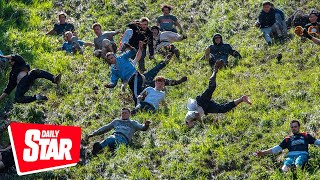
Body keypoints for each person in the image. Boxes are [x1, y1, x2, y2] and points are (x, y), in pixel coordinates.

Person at [105, 42, 187, 106]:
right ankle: (176, 82)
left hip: (138, 76)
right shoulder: (114, 70)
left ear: (115, 56)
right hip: (135, 82)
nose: (111, 59)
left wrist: (129, 47)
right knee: (157, 83)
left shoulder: (122, 58)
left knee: (156, 68)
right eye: (109, 59)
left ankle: (170, 55)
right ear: (108, 61)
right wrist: (110, 85)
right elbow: (114, 82)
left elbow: (134, 52)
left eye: (112, 57)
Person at [185, 60, 252, 128]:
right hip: (206, 108)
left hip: (201, 101)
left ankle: (214, 70)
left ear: (187, 123)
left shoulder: (188, 118)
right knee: (222, 109)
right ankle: (242, 99)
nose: (192, 126)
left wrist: (202, 124)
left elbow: (196, 114)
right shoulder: (193, 120)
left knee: (212, 87)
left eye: (190, 126)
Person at [255, 120, 320, 172]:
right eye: (292, 127)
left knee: (298, 160)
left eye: (295, 126)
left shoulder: (305, 135)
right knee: (287, 162)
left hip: (302, 154)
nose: (294, 128)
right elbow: (276, 149)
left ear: (299, 127)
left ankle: (296, 172)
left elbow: (317, 142)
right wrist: (263, 152)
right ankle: (282, 173)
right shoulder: (287, 139)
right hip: (291, 156)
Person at [86, 108, 151, 155]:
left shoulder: (133, 123)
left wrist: (146, 125)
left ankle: (115, 154)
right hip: (115, 136)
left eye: (125, 113)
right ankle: (98, 149)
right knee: (109, 139)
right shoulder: (116, 121)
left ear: (129, 114)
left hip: (124, 139)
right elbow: (105, 128)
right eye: (122, 113)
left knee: (119, 147)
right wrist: (94, 134)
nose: (124, 114)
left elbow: (142, 128)